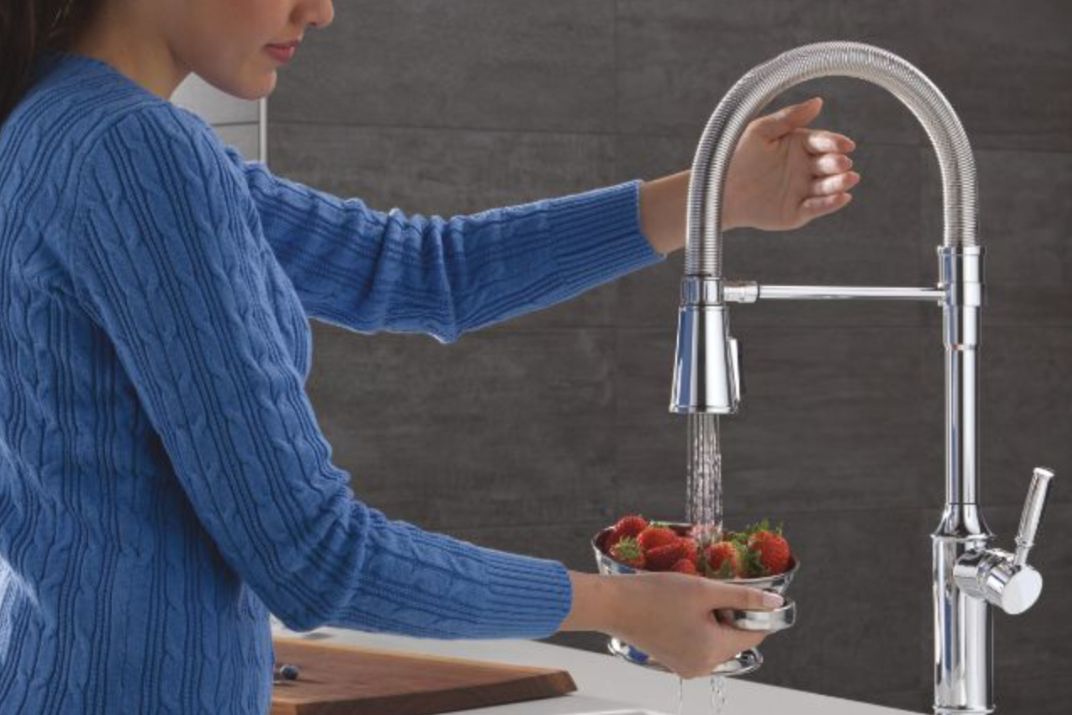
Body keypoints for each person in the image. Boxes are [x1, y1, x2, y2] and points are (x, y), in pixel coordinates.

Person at [0, 1, 859, 713]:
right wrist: (621, 604)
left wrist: (717, 194)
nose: (321, 9)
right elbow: (310, 553)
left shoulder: (55, 125)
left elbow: (419, 270)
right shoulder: (139, 154)